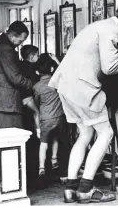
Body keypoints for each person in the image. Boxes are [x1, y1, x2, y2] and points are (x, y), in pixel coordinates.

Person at [49, 0, 118, 203]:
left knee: (85, 133)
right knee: (106, 133)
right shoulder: (113, 32)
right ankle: (86, 189)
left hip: (65, 85)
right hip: (83, 88)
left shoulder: (97, 26)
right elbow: (110, 67)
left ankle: (70, 189)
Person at [33, 53, 67, 187]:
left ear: (36, 72)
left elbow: (36, 104)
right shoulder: (57, 81)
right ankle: (54, 160)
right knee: (56, 138)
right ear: (52, 70)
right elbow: (64, 72)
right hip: (60, 118)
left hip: (45, 119)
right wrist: (56, 60)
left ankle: (41, 169)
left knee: (43, 143)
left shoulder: (36, 87)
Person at [0, 21, 33, 129]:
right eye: (20, 41)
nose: (20, 44)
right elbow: (16, 78)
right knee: (13, 140)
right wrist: (32, 83)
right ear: (13, 36)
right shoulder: (6, 49)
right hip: (6, 104)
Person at [20, 44, 40, 134]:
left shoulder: (20, 65)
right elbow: (35, 81)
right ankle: (38, 133)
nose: (38, 57)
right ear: (31, 57)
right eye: (37, 55)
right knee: (37, 113)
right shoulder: (32, 67)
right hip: (28, 96)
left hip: (21, 97)